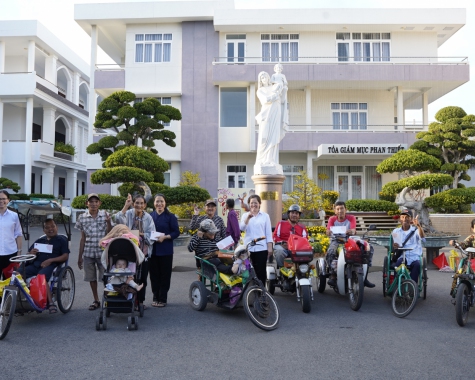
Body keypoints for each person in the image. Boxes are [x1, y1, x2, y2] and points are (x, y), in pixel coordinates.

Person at [115, 193, 155, 310]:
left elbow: (152, 235)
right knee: (127, 277)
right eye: (136, 203)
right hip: (129, 252)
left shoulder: (148, 217)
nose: (139, 205)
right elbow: (117, 219)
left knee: (142, 278)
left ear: (145, 205)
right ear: (133, 203)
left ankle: (140, 302)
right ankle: (127, 299)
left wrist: (141, 234)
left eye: (141, 203)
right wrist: (126, 206)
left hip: (144, 252)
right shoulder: (128, 213)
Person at [75, 193, 113, 311]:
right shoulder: (82, 217)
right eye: (91, 202)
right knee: (91, 278)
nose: (94, 204)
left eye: (96, 201)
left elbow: (110, 234)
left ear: (99, 203)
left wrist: (108, 222)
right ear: (87, 203)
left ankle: (107, 300)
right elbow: (83, 238)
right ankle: (96, 300)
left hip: (103, 252)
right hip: (88, 252)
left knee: (105, 278)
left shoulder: (105, 215)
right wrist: (79, 256)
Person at [24, 219, 69, 313]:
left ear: (57, 227)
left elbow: (65, 256)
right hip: (35, 264)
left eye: (53, 226)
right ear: (44, 230)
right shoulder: (40, 240)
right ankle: (18, 299)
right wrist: (31, 253)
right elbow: (28, 253)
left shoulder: (62, 240)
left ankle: (51, 302)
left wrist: (51, 260)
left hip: (50, 265)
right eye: (47, 227)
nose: (50, 229)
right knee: (18, 273)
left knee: (41, 277)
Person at [325, 201, 375, 288]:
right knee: (330, 252)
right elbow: (327, 231)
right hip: (336, 240)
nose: (340, 211)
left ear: (346, 209)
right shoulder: (332, 219)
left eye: (342, 208)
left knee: (368, 248)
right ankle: (333, 275)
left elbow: (353, 230)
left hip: (349, 239)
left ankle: (365, 276)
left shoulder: (351, 218)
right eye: (338, 209)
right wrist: (328, 232)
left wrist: (351, 231)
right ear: (335, 211)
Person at [149, 193, 180, 307]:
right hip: (153, 250)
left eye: (161, 201)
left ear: (165, 203)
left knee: (165, 275)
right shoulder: (150, 216)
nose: (159, 204)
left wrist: (165, 237)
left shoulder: (170, 217)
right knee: (153, 275)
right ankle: (155, 297)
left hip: (166, 250)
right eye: (157, 201)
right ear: (154, 203)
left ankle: (163, 298)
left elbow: (176, 232)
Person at [239, 194, 273, 285]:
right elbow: (242, 228)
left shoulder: (265, 216)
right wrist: (248, 219)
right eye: (251, 203)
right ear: (249, 204)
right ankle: (250, 291)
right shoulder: (245, 215)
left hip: (261, 248)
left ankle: (261, 292)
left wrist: (270, 247)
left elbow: (268, 232)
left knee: (261, 271)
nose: (253, 205)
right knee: (248, 270)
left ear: (259, 204)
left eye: (255, 203)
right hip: (249, 248)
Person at [255, 71, 286, 169]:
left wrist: (284, 88)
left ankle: (271, 160)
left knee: (274, 137)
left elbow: (283, 99)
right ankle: (261, 160)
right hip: (266, 115)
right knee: (263, 139)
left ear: (269, 77)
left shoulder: (274, 87)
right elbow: (265, 100)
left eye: (265, 76)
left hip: (276, 114)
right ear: (260, 80)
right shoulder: (260, 90)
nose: (264, 78)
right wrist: (275, 95)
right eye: (262, 77)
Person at [392, 209, 426, 284]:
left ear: (410, 219)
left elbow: (423, 237)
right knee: (397, 265)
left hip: (414, 256)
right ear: (400, 219)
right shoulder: (395, 231)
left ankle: (412, 288)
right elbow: (395, 245)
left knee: (417, 265)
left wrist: (418, 226)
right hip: (402, 256)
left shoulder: (416, 230)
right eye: (403, 217)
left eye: (407, 217)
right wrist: (395, 246)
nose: (405, 219)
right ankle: (397, 286)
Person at [0, 190, 23, 278]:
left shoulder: (14, 216)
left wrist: (19, 253)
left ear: (8, 200)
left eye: (3, 199)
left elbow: (18, 234)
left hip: (10, 254)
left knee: (9, 282)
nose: (1, 201)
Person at [270, 63, 289, 132]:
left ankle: (280, 94)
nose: (278, 69)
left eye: (280, 68)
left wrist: (283, 82)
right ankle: (277, 94)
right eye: (277, 68)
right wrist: (277, 82)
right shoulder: (274, 75)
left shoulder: (283, 75)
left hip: (281, 87)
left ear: (281, 69)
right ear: (275, 69)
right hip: (276, 86)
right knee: (279, 85)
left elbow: (285, 82)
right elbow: (271, 81)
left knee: (284, 88)